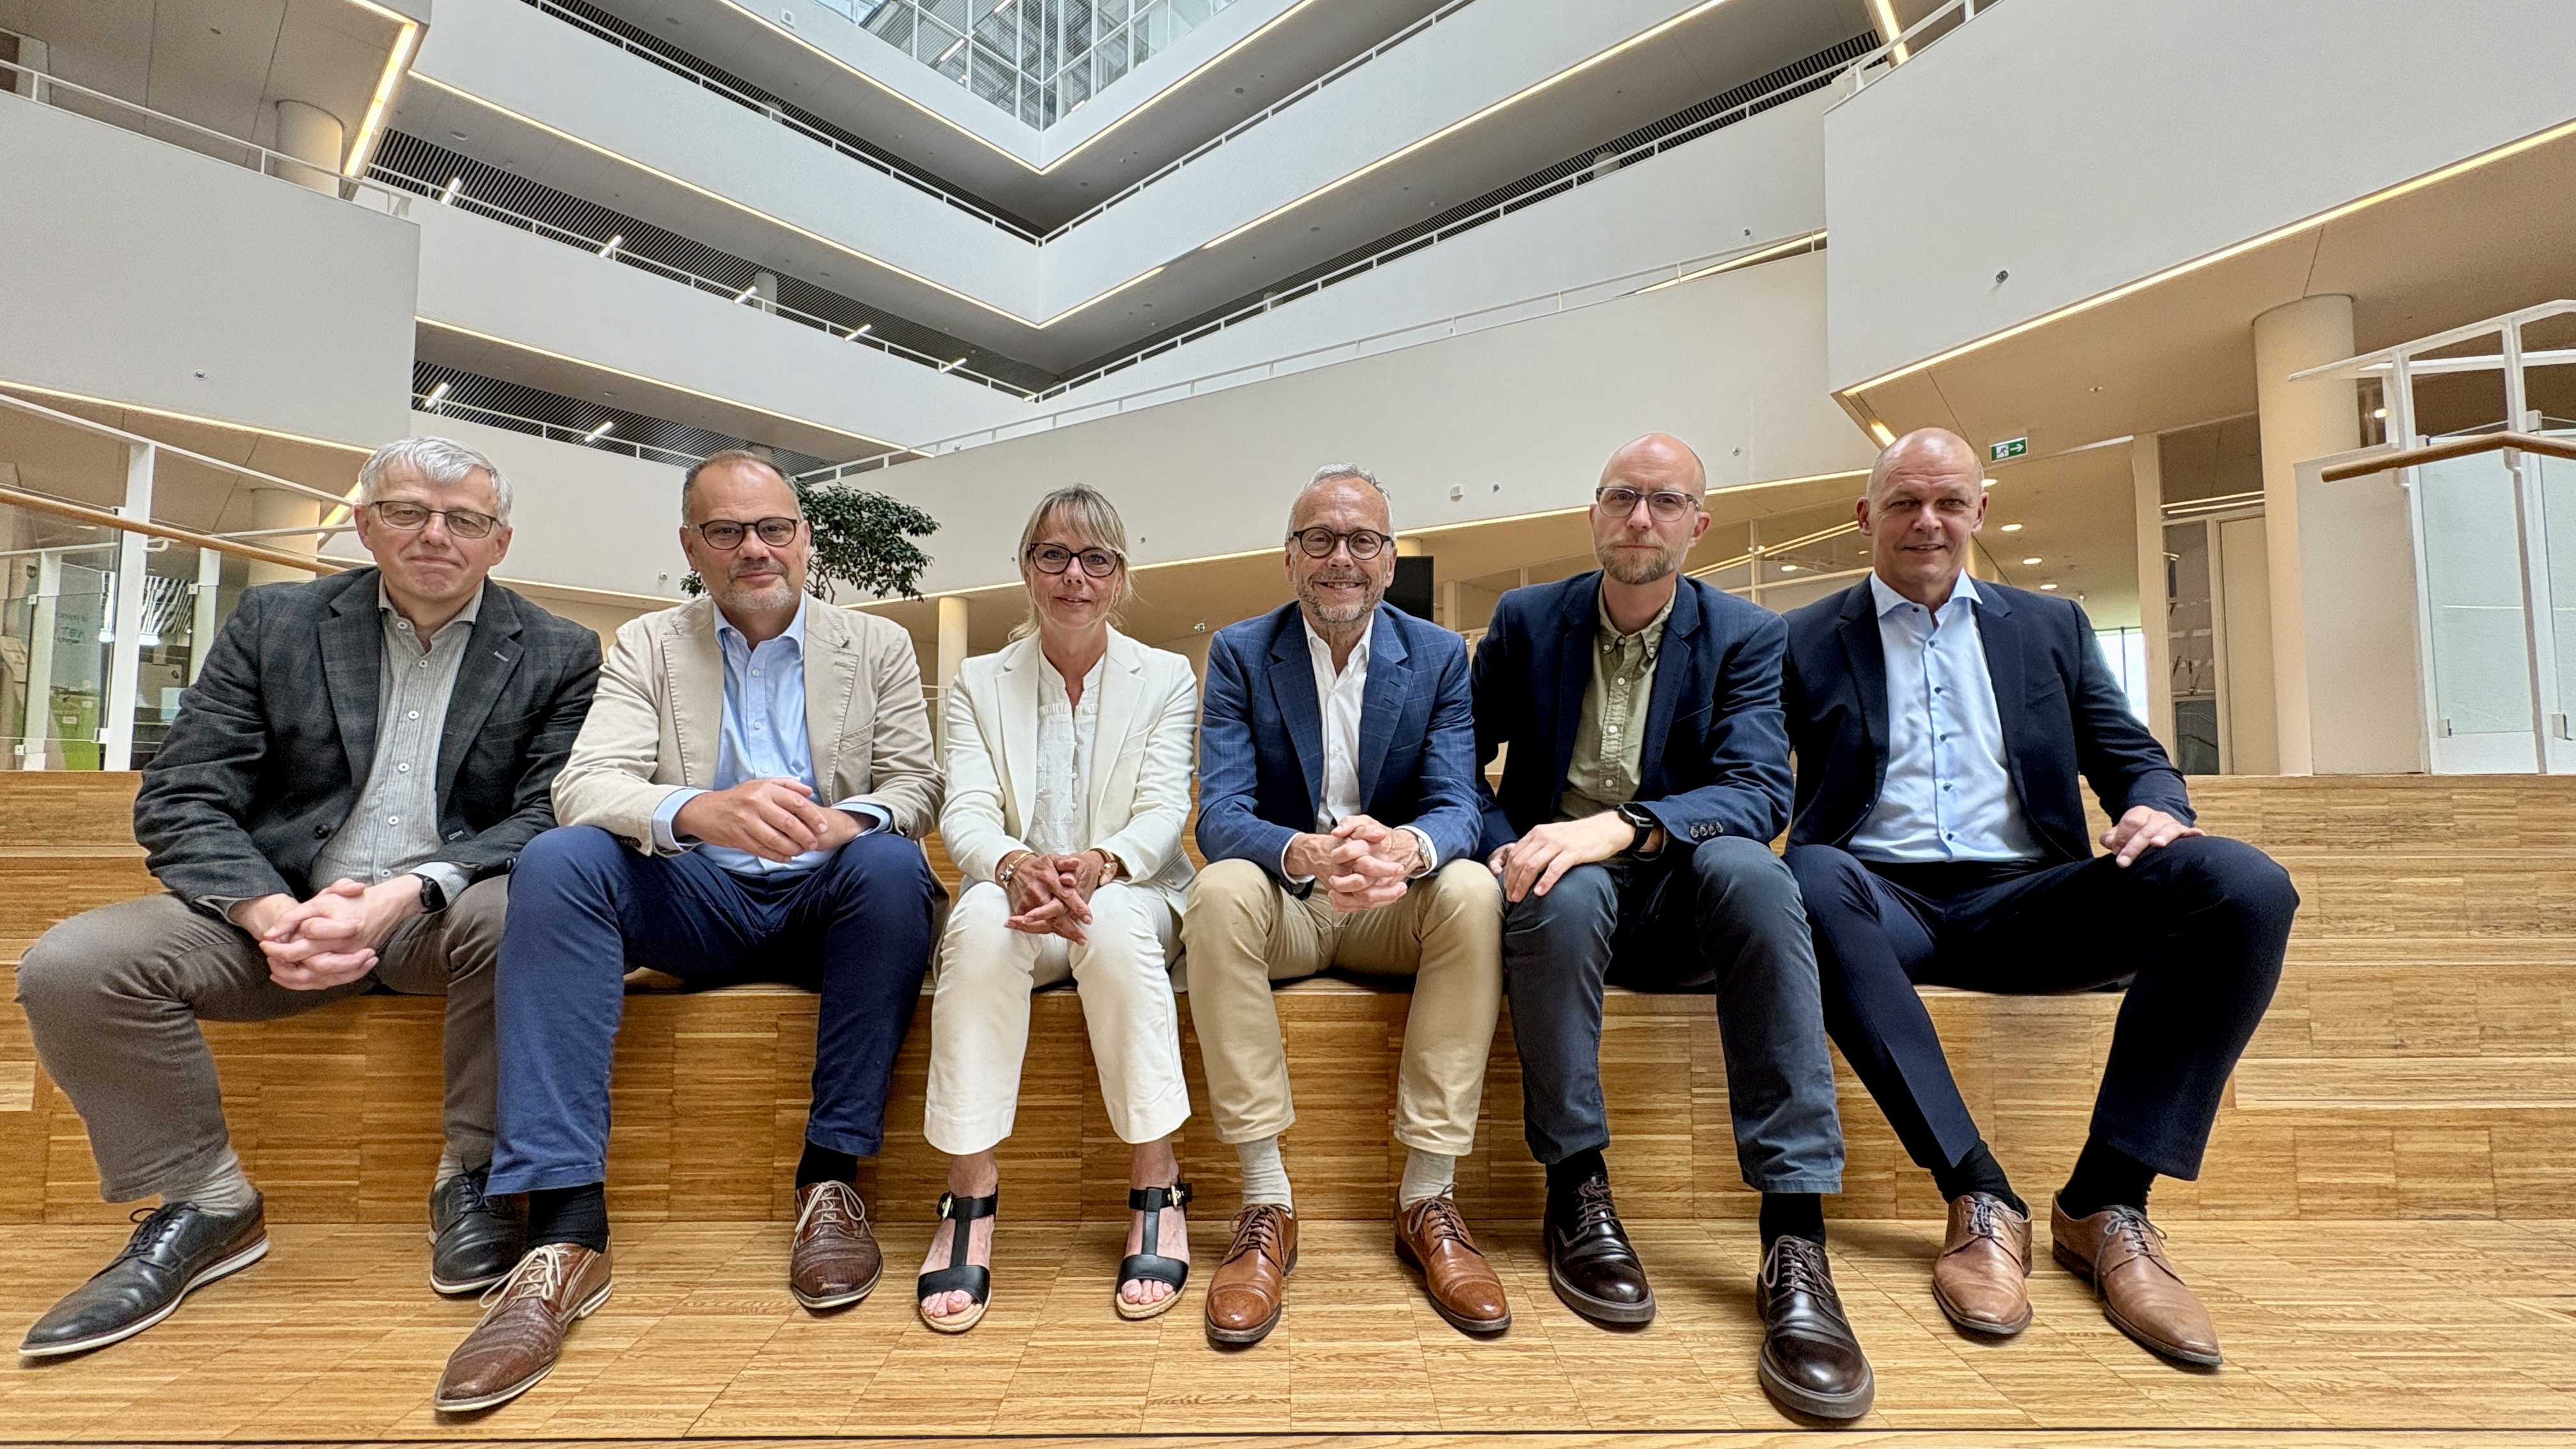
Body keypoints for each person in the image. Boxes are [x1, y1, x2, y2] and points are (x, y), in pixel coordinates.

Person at [14, 438, 601, 1356]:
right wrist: (265, 908)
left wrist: (406, 893)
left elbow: (547, 812)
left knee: (536, 904)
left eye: (464, 519)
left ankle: (476, 1175)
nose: (435, 534)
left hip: (442, 921)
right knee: (71, 964)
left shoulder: (560, 651)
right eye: (407, 511)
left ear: (500, 541)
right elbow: (183, 794)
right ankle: (206, 1202)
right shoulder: (275, 623)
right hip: (276, 921)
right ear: (364, 525)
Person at [433, 450, 942, 1412]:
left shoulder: (875, 645)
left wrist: (850, 821)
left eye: (774, 528)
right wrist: (697, 811)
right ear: (691, 546)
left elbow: (917, 785)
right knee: (558, 860)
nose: (755, 549)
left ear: (804, 539)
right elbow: (585, 785)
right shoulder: (647, 646)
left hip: (831, 902)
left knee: (891, 867)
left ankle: (830, 1180)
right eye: (727, 531)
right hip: (695, 896)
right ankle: (566, 1230)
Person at [1781, 427, 2298, 1368]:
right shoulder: (1801, 637)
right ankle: (1977, 1193)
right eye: (1904, 502)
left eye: (1949, 502)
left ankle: (2109, 1201)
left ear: (1979, 512)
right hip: (1876, 903)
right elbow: (1748, 777)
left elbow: (2131, 756)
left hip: (2035, 897)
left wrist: (2156, 807)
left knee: (2246, 885)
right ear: (1865, 517)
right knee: (1805, 875)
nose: (1927, 522)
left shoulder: (2050, 627)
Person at [1471, 433, 1869, 1420]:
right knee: (1556, 887)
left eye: (1665, 501)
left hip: (1685, 881)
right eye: (1622, 497)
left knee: (1760, 876)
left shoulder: (1746, 634)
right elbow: (1455, 764)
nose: (1640, 517)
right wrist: (1504, 845)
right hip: (1564, 888)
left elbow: (1756, 791)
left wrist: (1624, 825)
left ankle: (1794, 1231)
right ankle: (1577, 1187)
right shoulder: (1527, 621)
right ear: (1594, 514)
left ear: (1699, 524)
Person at [1184, 464, 1507, 1347]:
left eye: (1362, 541)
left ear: (1390, 560)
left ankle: (1428, 1197)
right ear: (1289, 557)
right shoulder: (1242, 653)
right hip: (1289, 906)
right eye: (1320, 539)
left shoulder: (1437, 656)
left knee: (1472, 889)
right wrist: (1305, 852)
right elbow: (1220, 814)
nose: (1341, 559)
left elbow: (1459, 803)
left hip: (1392, 908)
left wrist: (1404, 850)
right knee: (1217, 890)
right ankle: (1266, 1202)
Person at [917, 486, 1200, 1333]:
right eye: (1055, 556)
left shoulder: (1166, 676)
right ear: (1027, 568)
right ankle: (970, 1192)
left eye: (1095, 559)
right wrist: (1014, 865)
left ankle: (1156, 1182)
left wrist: (1101, 864)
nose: (1075, 575)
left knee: (1110, 927)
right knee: (974, 930)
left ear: (1120, 575)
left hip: (1132, 892)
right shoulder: (977, 682)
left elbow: (1164, 809)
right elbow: (967, 808)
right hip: (1016, 895)